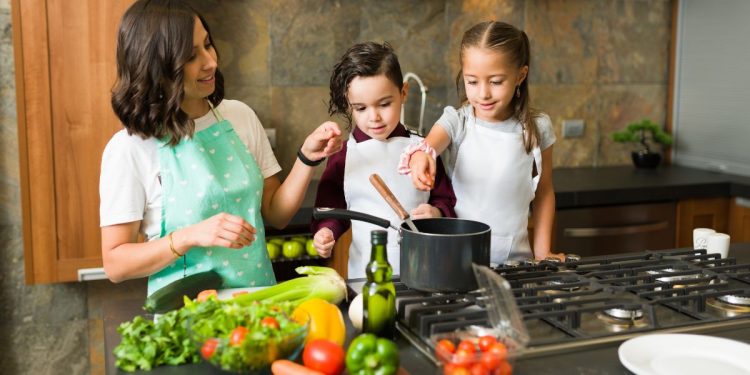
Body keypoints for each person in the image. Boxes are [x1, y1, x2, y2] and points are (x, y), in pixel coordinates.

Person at [99, 0, 342, 296]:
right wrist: (188, 237)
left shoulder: (239, 116)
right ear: (155, 66)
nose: (211, 61)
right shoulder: (129, 148)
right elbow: (115, 264)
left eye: (208, 44)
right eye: (191, 56)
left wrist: (306, 158)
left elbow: (275, 214)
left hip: (258, 303)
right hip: (185, 315)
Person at [401, 21, 562, 264]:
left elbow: (544, 192)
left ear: (520, 75)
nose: (483, 94)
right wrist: (421, 157)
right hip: (457, 262)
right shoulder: (457, 120)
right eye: (472, 82)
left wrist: (543, 253)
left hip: (516, 264)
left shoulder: (538, 127)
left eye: (496, 82)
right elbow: (428, 146)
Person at [310, 42, 456, 279]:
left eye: (384, 104)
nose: (374, 117)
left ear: (404, 93)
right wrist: (326, 231)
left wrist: (437, 213)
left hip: (425, 274)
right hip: (366, 277)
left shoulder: (422, 150)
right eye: (361, 108)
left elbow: (446, 199)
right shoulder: (343, 156)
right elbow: (331, 210)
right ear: (349, 105)